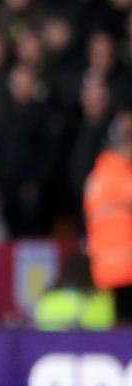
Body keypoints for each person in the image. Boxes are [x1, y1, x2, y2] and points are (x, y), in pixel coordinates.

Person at [83, 109, 132, 325]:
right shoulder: (122, 176)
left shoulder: (96, 176)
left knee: (114, 327)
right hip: (126, 266)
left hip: (102, 266)